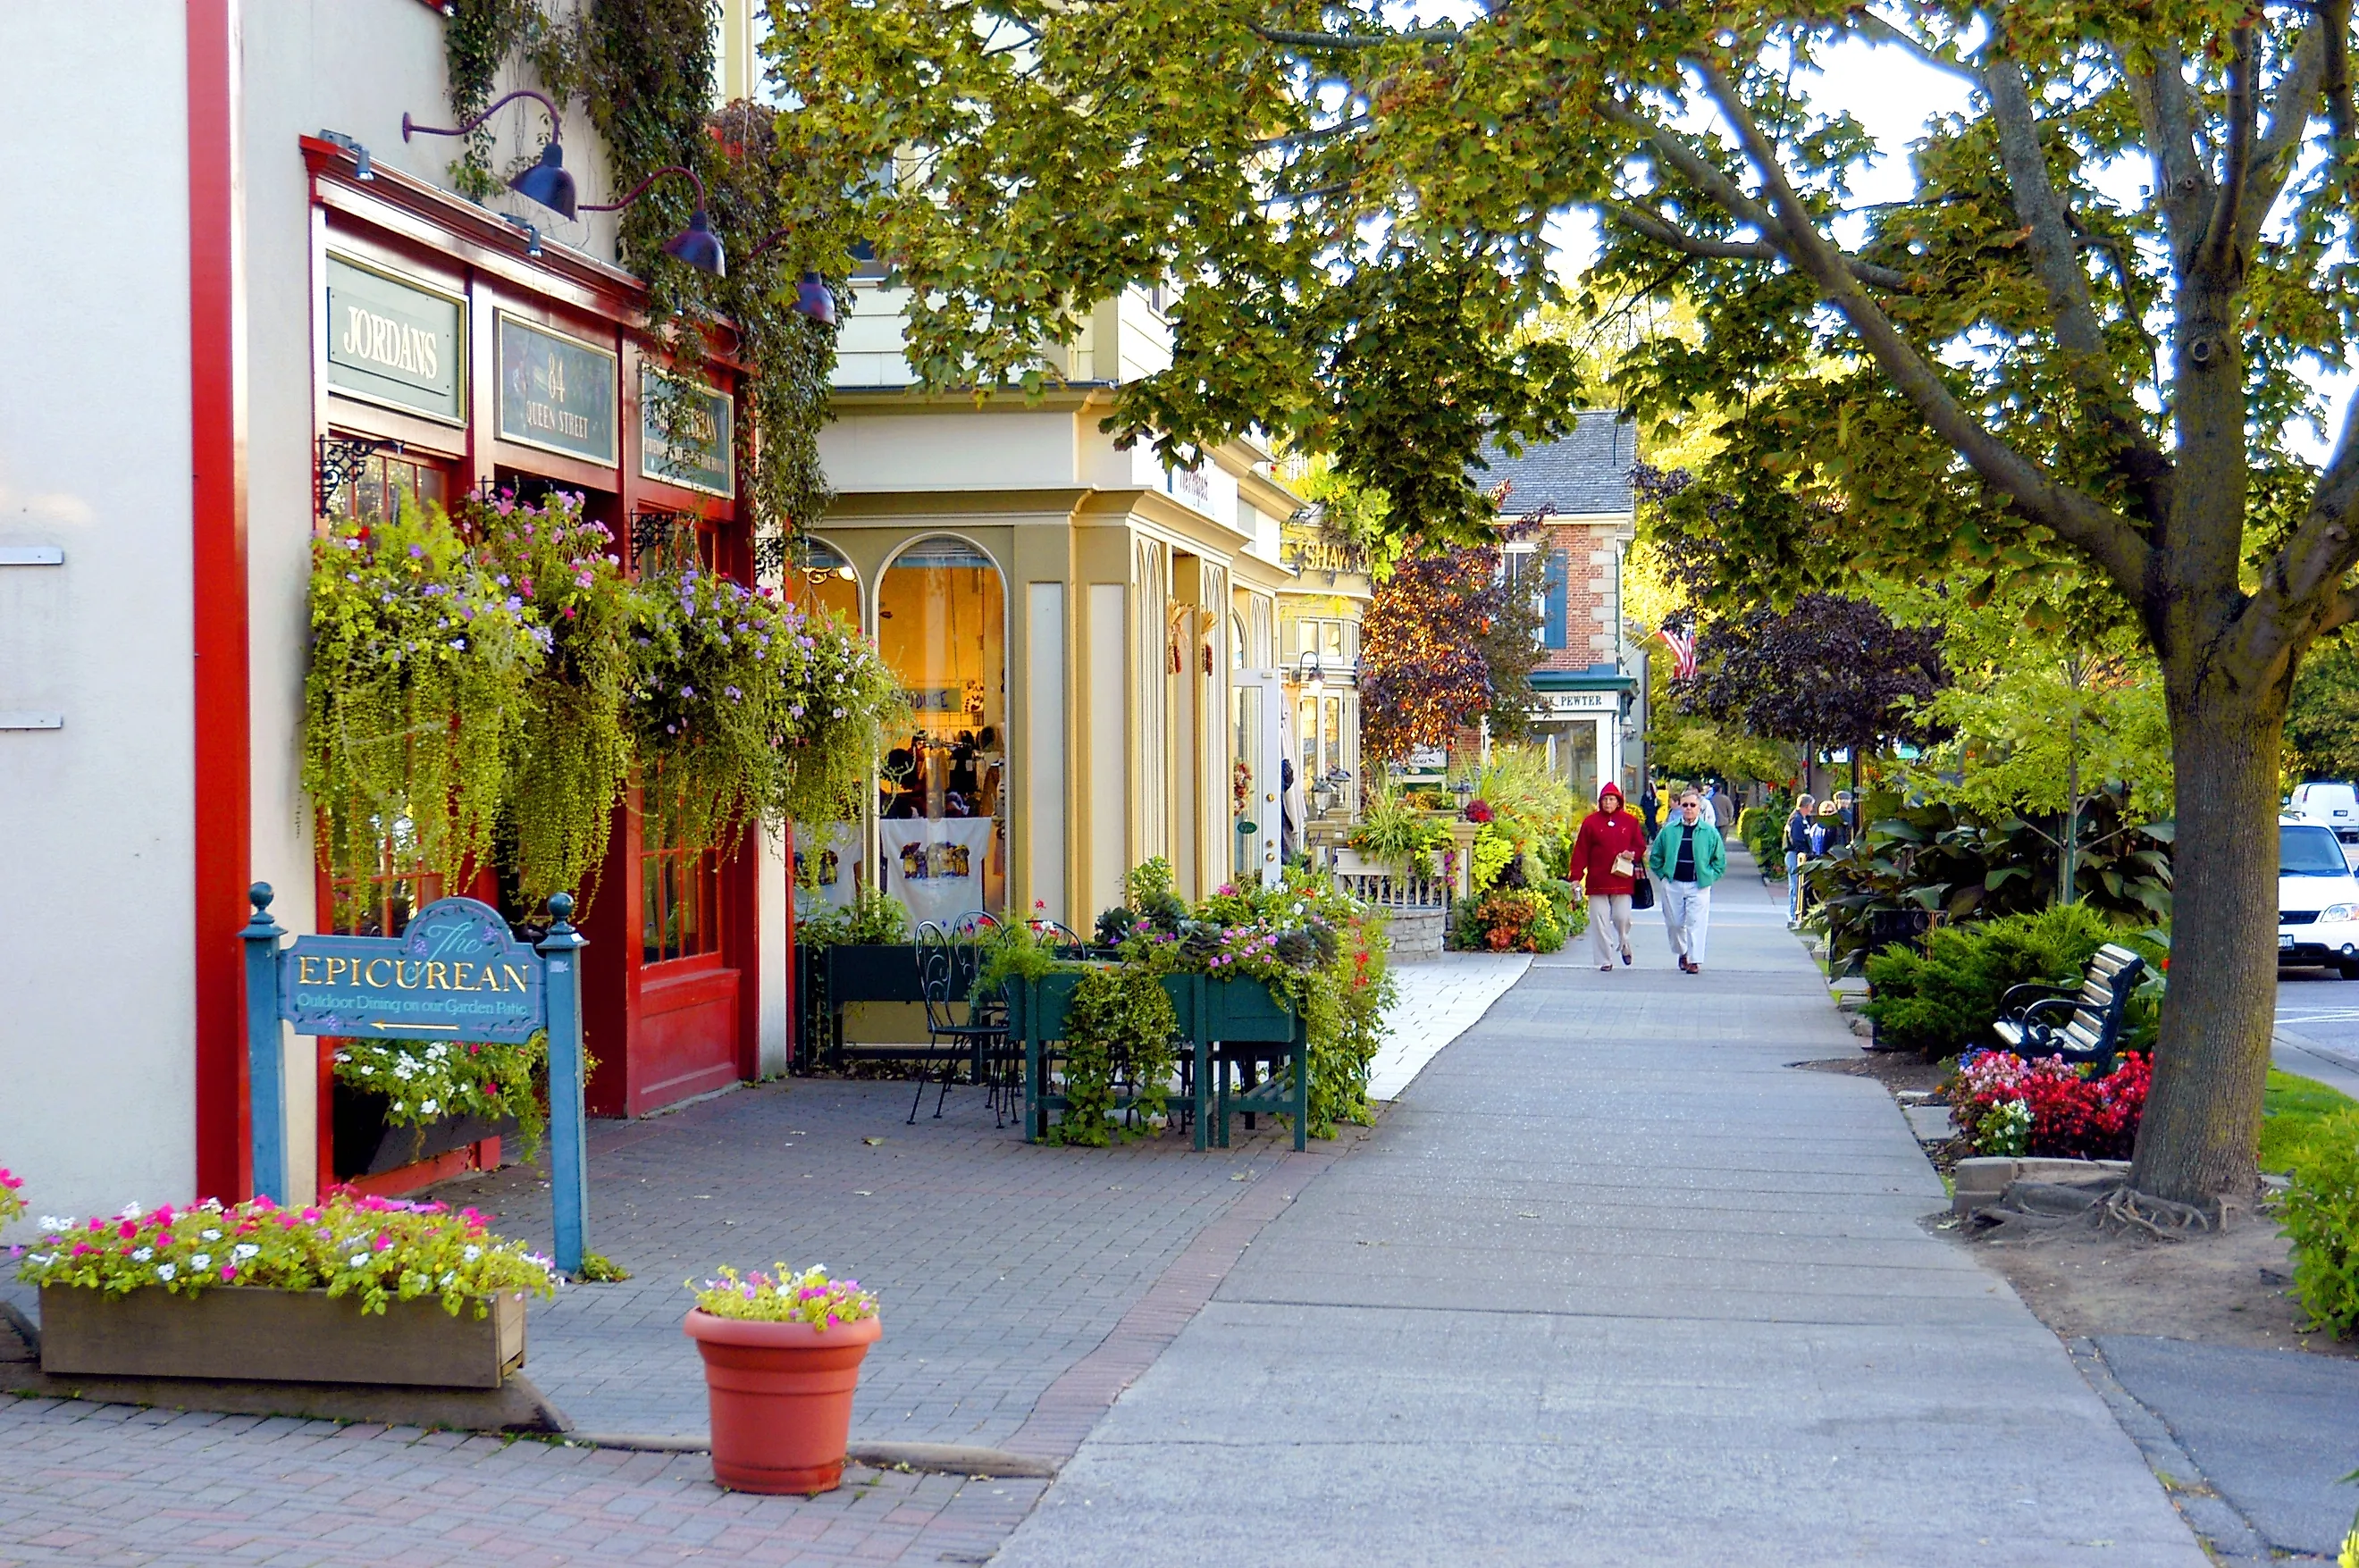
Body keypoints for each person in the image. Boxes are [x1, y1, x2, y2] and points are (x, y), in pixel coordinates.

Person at [1569, 782, 1649, 971]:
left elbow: (1639, 846)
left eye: (1612, 799)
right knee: (1599, 921)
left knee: (1622, 918)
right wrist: (1575, 877)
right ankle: (1605, 960)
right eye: (1605, 799)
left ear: (1619, 801)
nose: (1608, 803)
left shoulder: (1629, 822)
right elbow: (1581, 851)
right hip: (1597, 881)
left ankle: (1624, 942)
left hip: (1622, 879)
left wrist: (1632, 854)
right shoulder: (1590, 822)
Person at [1647, 789, 1726, 974]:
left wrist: (1709, 876)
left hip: (1698, 885)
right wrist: (1663, 875)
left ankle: (1694, 959)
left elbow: (1719, 861)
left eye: (1693, 805)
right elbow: (1656, 856)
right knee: (1675, 924)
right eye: (1685, 805)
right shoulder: (1669, 830)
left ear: (1699, 807)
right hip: (1673, 883)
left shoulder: (1709, 832)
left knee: (1696, 922)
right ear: (1680, 807)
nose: (1689, 809)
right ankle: (1682, 952)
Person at [1783, 792, 1818, 927]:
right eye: (1811, 806)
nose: (1811, 809)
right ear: (1807, 805)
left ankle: (1796, 915)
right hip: (1795, 855)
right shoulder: (1797, 820)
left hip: (1797, 855)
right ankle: (1793, 916)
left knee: (1798, 886)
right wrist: (1804, 852)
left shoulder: (1800, 818)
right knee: (1796, 886)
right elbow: (1796, 839)